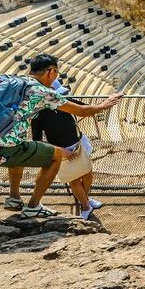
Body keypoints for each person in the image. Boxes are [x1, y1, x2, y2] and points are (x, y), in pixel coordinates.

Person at [0, 54, 122, 219]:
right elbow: (82, 111)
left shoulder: (14, 83)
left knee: (18, 149)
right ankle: (33, 206)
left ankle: (14, 198)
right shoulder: (42, 92)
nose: (55, 78)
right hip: (1, 150)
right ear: (50, 72)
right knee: (55, 155)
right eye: (56, 73)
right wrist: (106, 104)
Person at [30, 79, 102, 221]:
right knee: (74, 181)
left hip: (79, 142)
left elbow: (85, 108)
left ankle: (85, 199)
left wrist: (101, 106)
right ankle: (86, 207)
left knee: (88, 174)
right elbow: (37, 140)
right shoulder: (39, 114)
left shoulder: (66, 101)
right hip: (62, 150)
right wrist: (61, 151)